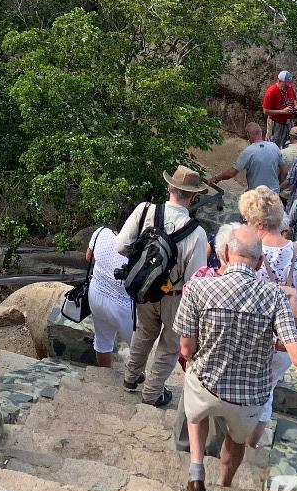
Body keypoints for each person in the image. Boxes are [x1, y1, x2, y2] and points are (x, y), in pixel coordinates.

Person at [176, 225, 297, 491]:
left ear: (228, 254)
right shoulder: (275, 296)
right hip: (248, 399)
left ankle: (196, 470)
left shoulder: (198, 287)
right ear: (258, 262)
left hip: (205, 386)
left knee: (196, 410)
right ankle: (224, 485)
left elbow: (186, 349)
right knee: (235, 440)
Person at [239, 187, 297, 443]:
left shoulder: (246, 249)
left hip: (247, 334)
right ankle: (251, 444)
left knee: (238, 384)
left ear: (255, 221)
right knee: (266, 392)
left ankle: (232, 438)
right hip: (284, 343)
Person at [116, 166, 210, 407]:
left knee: (144, 332)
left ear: (169, 187)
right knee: (169, 345)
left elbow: (121, 246)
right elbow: (194, 278)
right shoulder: (197, 233)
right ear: (193, 196)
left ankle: (131, 377)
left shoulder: (144, 210)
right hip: (175, 296)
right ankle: (152, 393)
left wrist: (143, 267)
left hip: (144, 288)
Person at [85, 224, 133, 368]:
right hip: (124, 305)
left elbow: (89, 257)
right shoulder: (136, 247)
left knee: (102, 340)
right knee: (138, 345)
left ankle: (104, 375)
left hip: (97, 295)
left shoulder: (100, 232)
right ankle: (134, 376)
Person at [213, 123, 284, 192]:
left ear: (248, 135)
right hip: (274, 194)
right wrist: (278, 187)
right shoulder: (274, 146)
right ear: (261, 133)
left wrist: (216, 178)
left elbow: (231, 173)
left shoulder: (249, 151)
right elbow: (284, 171)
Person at [262, 71, 297, 146]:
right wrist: (282, 111)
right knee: (273, 143)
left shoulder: (289, 88)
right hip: (275, 122)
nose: (288, 86)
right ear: (279, 81)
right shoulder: (271, 92)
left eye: (289, 84)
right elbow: (265, 111)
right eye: (286, 84)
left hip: (289, 122)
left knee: (288, 143)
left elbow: (294, 99)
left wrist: (296, 107)